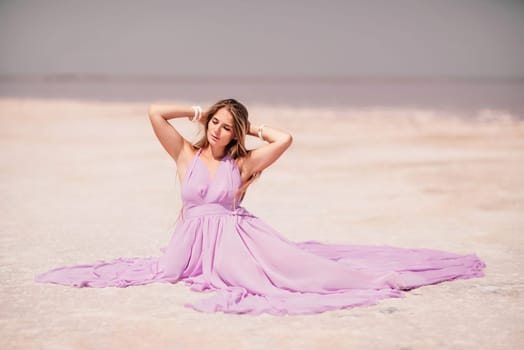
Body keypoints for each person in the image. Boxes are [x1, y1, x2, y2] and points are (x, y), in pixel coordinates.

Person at [35, 98, 486, 316]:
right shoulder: (184, 156)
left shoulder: (245, 163)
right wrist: (195, 110)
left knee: (293, 278)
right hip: (188, 243)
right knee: (167, 273)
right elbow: (155, 113)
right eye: (215, 122)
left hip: (236, 240)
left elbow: (285, 139)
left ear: (236, 133)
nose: (217, 130)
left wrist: (255, 129)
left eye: (227, 127)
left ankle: (378, 280)